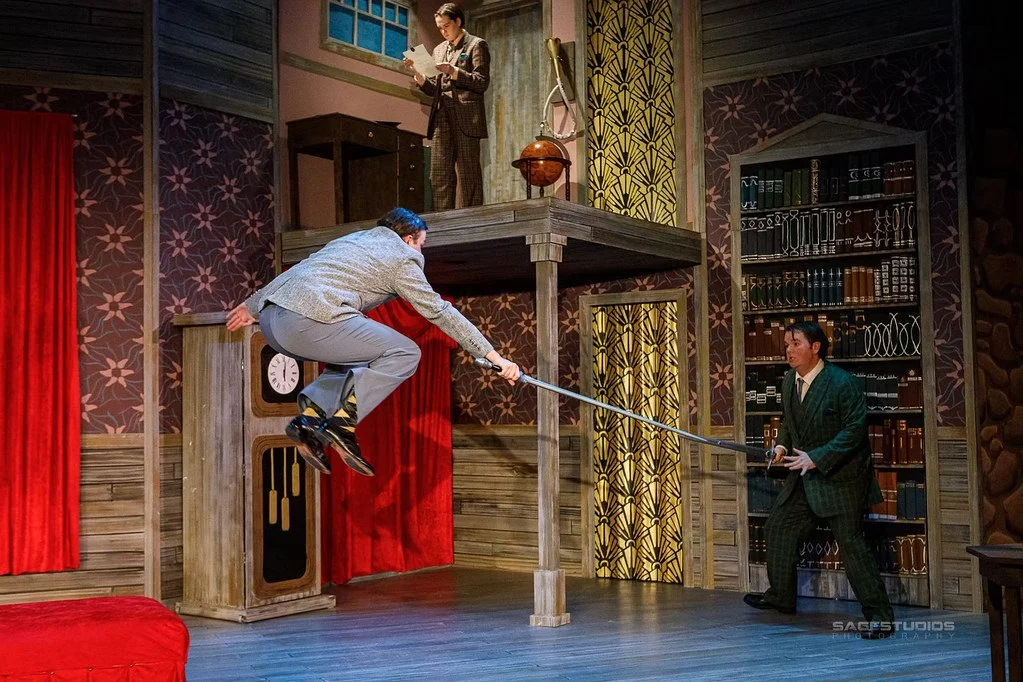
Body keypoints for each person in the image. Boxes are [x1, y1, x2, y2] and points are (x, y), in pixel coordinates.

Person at [226, 207, 519, 476]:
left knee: (357, 350)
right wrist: (495, 357)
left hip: (272, 323)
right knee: (405, 352)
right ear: (408, 239)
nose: (421, 252)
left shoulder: (351, 241)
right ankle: (343, 424)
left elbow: (302, 268)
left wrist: (251, 306)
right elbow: (440, 311)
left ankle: (311, 417)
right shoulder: (402, 258)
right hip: (306, 323)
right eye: (422, 244)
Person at [743, 321, 894, 640]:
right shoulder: (789, 380)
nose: (788, 350)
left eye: (795, 343)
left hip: (840, 478)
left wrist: (817, 457)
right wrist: (781, 446)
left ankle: (880, 616)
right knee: (779, 527)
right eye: (786, 344)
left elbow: (854, 431)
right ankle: (781, 596)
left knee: (851, 546)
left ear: (816, 347)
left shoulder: (842, 383)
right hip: (804, 475)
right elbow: (789, 423)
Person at [403, 3, 489, 210]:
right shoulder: (439, 49)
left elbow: (481, 82)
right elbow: (435, 88)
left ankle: (472, 219)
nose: (443, 31)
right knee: (439, 173)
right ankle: (443, 220)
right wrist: (420, 76)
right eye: (439, 28)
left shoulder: (476, 45)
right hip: (442, 115)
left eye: (446, 26)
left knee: (469, 173)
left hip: (466, 116)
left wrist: (454, 71)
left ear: (458, 21)